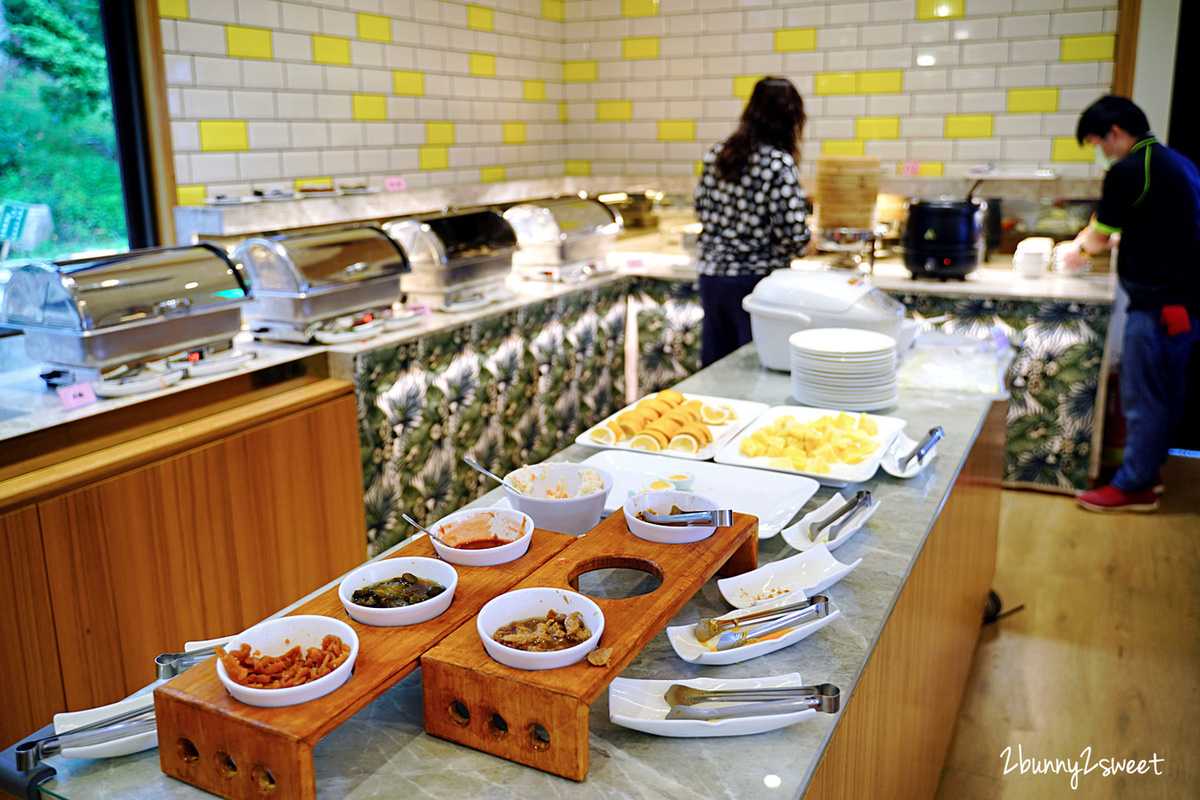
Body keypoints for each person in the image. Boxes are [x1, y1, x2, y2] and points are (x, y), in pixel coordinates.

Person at [1063, 95, 1200, 512]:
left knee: (1142, 400)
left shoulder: (1129, 169)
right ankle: (1149, 472)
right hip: (1184, 306)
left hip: (1156, 306)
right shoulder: (1178, 162)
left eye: (1099, 144)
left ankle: (1133, 487)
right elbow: (1163, 226)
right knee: (1166, 394)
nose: (1102, 154)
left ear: (1116, 134)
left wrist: (1077, 251)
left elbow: (1098, 237)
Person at [693, 76, 811, 366]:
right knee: (753, 369)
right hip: (756, 283)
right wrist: (809, 243)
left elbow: (701, 210)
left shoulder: (718, 155)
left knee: (717, 368)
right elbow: (792, 234)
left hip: (713, 277)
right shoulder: (777, 163)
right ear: (791, 119)